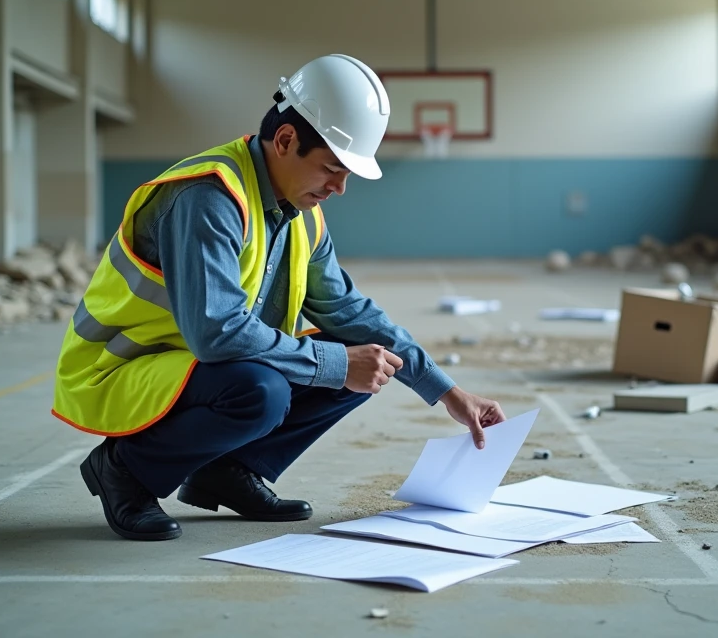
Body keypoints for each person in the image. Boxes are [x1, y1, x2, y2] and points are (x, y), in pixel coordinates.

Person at [52, 53, 507, 541]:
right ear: (286, 140)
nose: (340, 188)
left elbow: (348, 311)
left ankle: (227, 471)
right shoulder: (208, 197)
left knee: (366, 358)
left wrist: (446, 391)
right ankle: (124, 468)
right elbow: (216, 332)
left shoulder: (300, 213)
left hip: (190, 364)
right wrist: (335, 364)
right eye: (332, 168)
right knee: (263, 391)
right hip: (122, 366)